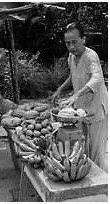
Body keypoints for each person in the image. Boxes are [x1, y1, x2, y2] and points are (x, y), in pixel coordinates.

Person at [52, 22, 108, 171]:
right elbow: (74, 75)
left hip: (97, 109)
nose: (71, 47)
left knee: (97, 155)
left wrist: (76, 94)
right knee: (82, 149)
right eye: (67, 43)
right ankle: (88, 180)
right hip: (81, 111)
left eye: (74, 42)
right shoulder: (71, 56)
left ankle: (103, 189)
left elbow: (97, 79)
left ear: (83, 39)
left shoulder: (91, 57)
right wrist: (61, 89)